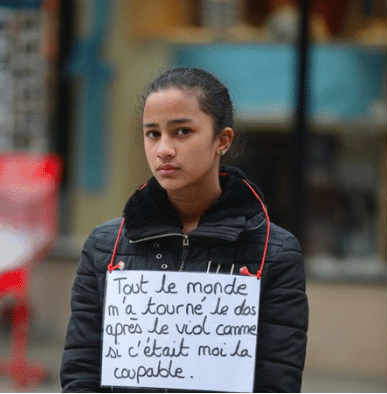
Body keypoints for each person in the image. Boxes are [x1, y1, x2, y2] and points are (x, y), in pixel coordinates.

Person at [60, 68, 308, 392]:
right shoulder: (105, 247)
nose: (163, 149)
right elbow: (82, 370)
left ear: (222, 140)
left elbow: (277, 382)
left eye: (182, 132)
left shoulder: (273, 253)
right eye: (152, 133)